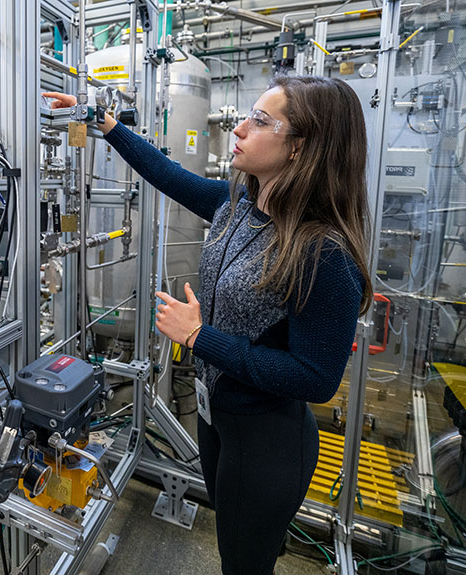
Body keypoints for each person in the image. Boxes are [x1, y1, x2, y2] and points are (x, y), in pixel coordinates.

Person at [43, 75, 372, 575]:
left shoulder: (323, 253)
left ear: (300, 149)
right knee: (238, 541)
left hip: (266, 441)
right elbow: (169, 175)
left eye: (260, 121)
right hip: (216, 422)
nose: (239, 128)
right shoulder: (237, 204)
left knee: (243, 562)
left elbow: (317, 379)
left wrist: (200, 337)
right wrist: (107, 125)